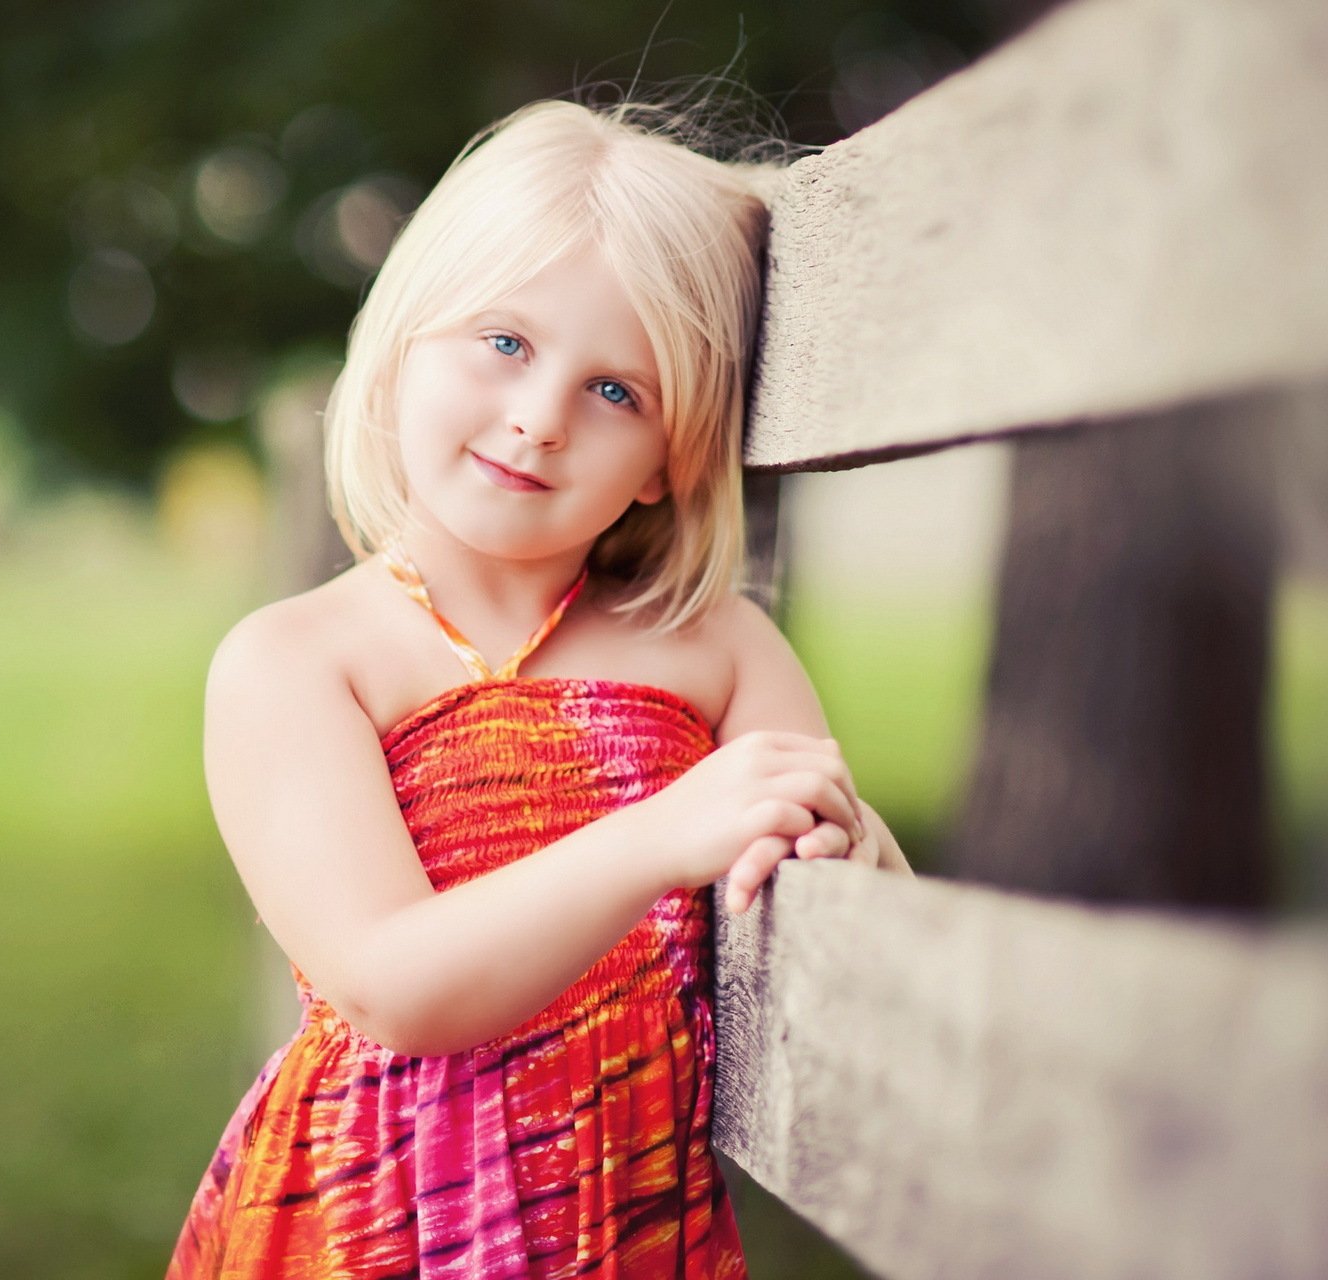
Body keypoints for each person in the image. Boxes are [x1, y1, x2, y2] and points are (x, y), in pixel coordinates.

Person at [166, 95, 914, 1279]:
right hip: (375, 1228)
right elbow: (393, 984)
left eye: (616, 390)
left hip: (628, 1224)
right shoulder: (297, 662)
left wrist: (847, 840)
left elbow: (833, 874)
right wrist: (660, 836)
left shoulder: (714, 648)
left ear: (675, 454)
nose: (538, 418)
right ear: (410, 335)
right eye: (505, 343)